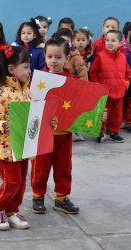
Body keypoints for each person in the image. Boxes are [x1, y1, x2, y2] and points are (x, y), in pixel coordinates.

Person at [0, 46, 56, 230]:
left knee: (21, 182)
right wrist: (1, 126)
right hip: (5, 148)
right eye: (25, 67)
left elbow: (33, 115)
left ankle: (11, 210)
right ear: (11, 69)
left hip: (23, 145)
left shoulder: (26, 90)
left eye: (29, 66)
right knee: (12, 182)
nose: (29, 70)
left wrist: (49, 122)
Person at [31, 37, 79, 215]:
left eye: (58, 57)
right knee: (40, 168)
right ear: (45, 56)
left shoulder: (72, 81)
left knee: (64, 167)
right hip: (43, 134)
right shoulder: (38, 80)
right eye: (50, 56)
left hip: (64, 134)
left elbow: (80, 105)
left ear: (67, 58)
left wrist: (98, 115)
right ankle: (38, 196)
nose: (54, 61)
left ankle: (61, 198)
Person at [90, 30, 131, 143]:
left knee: (117, 116)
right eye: (107, 40)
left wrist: (125, 84)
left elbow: (128, 72)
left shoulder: (123, 57)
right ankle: (100, 132)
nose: (109, 42)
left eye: (113, 40)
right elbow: (93, 73)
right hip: (105, 93)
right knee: (103, 115)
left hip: (119, 93)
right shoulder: (100, 56)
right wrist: (99, 87)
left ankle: (114, 132)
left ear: (120, 43)